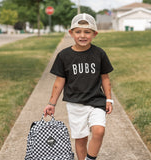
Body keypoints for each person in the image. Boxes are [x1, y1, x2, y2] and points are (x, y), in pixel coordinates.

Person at [44, 13, 114, 160]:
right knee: (81, 139)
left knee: (99, 131)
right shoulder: (64, 56)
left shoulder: (99, 53)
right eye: (78, 31)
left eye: (87, 32)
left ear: (94, 34)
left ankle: (90, 158)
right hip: (75, 103)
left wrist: (109, 99)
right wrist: (52, 103)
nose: (83, 35)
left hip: (96, 101)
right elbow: (59, 82)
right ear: (71, 33)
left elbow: (105, 78)